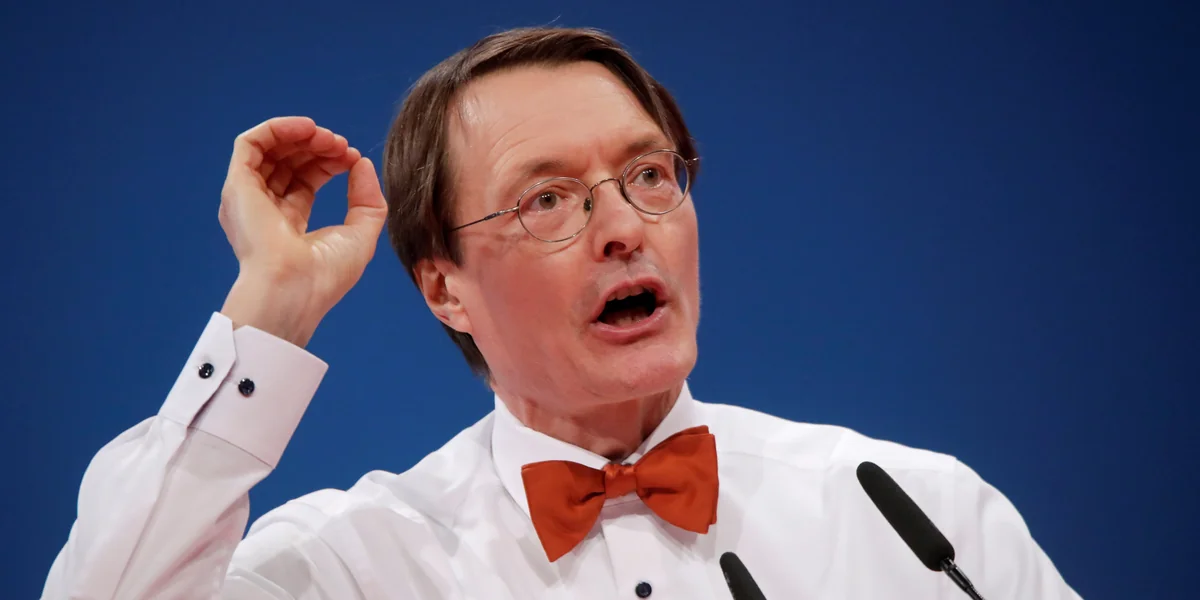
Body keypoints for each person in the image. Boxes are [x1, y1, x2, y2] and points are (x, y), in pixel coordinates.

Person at [42, 27, 1081, 599]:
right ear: (444, 287)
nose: (624, 227)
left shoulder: (915, 517)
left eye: (649, 175)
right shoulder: (350, 566)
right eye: (547, 200)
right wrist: (271, 307)